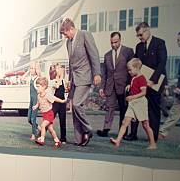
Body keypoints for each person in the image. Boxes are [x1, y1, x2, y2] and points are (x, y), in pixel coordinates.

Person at [61, 18, 102, 146]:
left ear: (71, 29)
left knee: (76, 104)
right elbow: (71, 62)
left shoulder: (85, 35)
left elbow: (94, 54)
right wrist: (69, 80)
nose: (65, 36)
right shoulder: (68, 42)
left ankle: (88, 130)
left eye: (66, 33)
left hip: (85, 76)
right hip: (74, 79)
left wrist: (97, 73)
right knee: (74, 110)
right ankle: (79, 139)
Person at [126, 22, 167, 141]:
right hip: (140, 83)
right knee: (135, 106)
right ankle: (133, 134)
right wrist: (131, 81)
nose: (139, 37)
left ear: (147, 30)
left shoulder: (160, 43)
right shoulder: (139, 47)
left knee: (153, 109)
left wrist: (153, 80)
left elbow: (162, 63)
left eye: (140, 35)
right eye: (137, 36)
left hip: (154, 83)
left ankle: (152, 136)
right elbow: (134, 66)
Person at [110, 58, 157, 150]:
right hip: (132, 104)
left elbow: (144, 93)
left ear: (137, 68)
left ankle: (152, 144)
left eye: (130, 69)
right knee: (124, 122)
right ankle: (117, 141)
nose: (129, 71)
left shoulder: (142, 78)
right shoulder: (134, 78)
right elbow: (134, 86)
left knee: (145, 125)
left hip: (140, 103)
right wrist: (129, 86)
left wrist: (132, 97)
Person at [97, 32, 134, 137]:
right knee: (109, 107)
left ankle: (123, 131)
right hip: (110, 86)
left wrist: (130, 83)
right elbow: (104, 73)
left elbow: (132, 70)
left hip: (124, 86)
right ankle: (106, 129)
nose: (113, 45)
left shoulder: (128, 52)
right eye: (111, 43)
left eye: (116, 42)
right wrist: (101, 88)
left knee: (124, 109)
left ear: (120, 40)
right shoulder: (107, 55)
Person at [160, 30, 180, 139]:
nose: (177, 42)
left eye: (179, 40)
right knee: (175, 111)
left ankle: (162, 132)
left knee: (175, 112)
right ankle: (162, 132)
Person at [33, 77, 68, 147]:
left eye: (38, 87)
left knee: (43, 125)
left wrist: (62, 101)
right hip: (44, 115)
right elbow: (39, 102)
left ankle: (42, 140)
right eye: (36, 86)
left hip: (49, 114)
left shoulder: (47, 95)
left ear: (44, 87)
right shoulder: (38, 96)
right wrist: (36, 106)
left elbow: (54, 99)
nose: (37, 88)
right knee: (51, 129)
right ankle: (57, 141)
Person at [51, 64, 68, 143]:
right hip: (55, 102)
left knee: (62, 120)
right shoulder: (54, 80)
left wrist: (67, 88)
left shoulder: (64, 80)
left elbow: (66, 89)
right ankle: (42, 134)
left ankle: (63, 138)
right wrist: (60, 77)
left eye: (60, 68)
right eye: (58, 68)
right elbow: (57, 86)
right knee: (50, 119)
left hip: (62, 103)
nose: (60, 70)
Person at [27, 62, 41, 141]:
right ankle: (40, 129)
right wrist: (28, 72)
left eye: (32, 68)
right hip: (31, 101)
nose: (31, 70)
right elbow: (22, 78)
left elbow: (40, 90)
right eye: (30, 68)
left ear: (36, 70)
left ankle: (33, 134)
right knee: (29, 119)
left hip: (36, 100)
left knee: (33, 119)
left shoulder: (37, 79)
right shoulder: (31, 78)